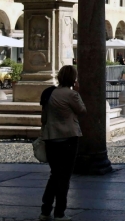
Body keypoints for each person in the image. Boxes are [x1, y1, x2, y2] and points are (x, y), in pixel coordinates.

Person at [39, 65, 87, 221]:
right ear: (73, 79)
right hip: (68, 138)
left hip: (51, 138)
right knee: (64, 176)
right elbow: (82, 111)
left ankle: (45, 210)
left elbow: (44, 119)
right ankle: (60, 212)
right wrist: (78, 92)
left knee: (54, 174)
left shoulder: (48, 93)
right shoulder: (72, 94)